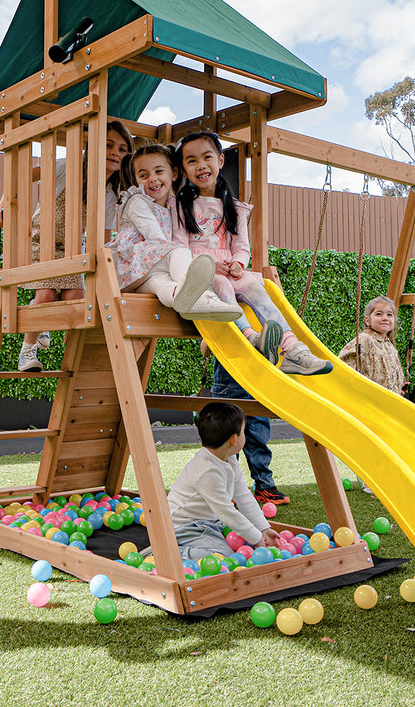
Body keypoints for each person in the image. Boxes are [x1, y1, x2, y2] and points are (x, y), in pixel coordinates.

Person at [172, 131, 332, 376]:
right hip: (203, 274)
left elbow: (241, 246)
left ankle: (293, 350)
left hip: (231, 270)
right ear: (183, 169)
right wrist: (207, 266)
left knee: (258, 290)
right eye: (191, 160)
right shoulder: (180, 206)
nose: (201, 165)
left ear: (220, 160)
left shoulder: (235, 208)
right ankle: (252, 338)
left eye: (207, 157)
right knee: (222, 288)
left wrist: (238, 263)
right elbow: (179, 245)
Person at [0, 121, 135, 372]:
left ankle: (61, 340)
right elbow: (21, 177)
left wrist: (108, 262)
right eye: (109, 145)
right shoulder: (69, 167)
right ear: (94, 147)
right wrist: (0, 208)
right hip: (39, 240)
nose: (115, 153)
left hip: (71, 250)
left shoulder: (111, 193)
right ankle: (27, 352)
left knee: (76, 299)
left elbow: (105, 234)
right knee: (45, 295)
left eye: (122, 149)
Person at [106, 144, 242, 321]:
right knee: (178, 251)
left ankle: (191, 300)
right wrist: (195, 266)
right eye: (144, 175)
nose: (152, 179)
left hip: (147, 274)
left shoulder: (175, 207)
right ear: (136, 181)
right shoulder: (137, 201)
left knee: (164, 286)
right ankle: (201, 295)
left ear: (174, 174)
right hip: (127, 269)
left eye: (159, 171)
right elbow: (157, 240)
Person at [166, 401, 280, 561]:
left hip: (210, 522)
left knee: (236, 541)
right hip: (183, 526)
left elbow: (243, 495)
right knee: (224, 556)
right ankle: (166, 553)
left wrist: (263, 528)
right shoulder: (206, 471)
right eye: (243, 431)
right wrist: (256, 538)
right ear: (235, 440)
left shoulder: (228, 458)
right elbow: (226, 511)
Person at [339, 295, 408, 494]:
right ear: (368, 320)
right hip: (369, 402)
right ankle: (368, 480)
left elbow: (392, 369)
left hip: (389, 402)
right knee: (370, 442)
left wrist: (399, 384)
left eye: (390, 314)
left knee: (387, 441)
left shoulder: (389, 344)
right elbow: (344, 362)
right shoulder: (364, 340)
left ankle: (382, 476)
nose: (385, 318)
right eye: (379, 314)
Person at [211, 356, 290, 505]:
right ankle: (226, 489)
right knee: (227, 440)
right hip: (230, 380)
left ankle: (264, 485)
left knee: (258, 435)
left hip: (256, 381)